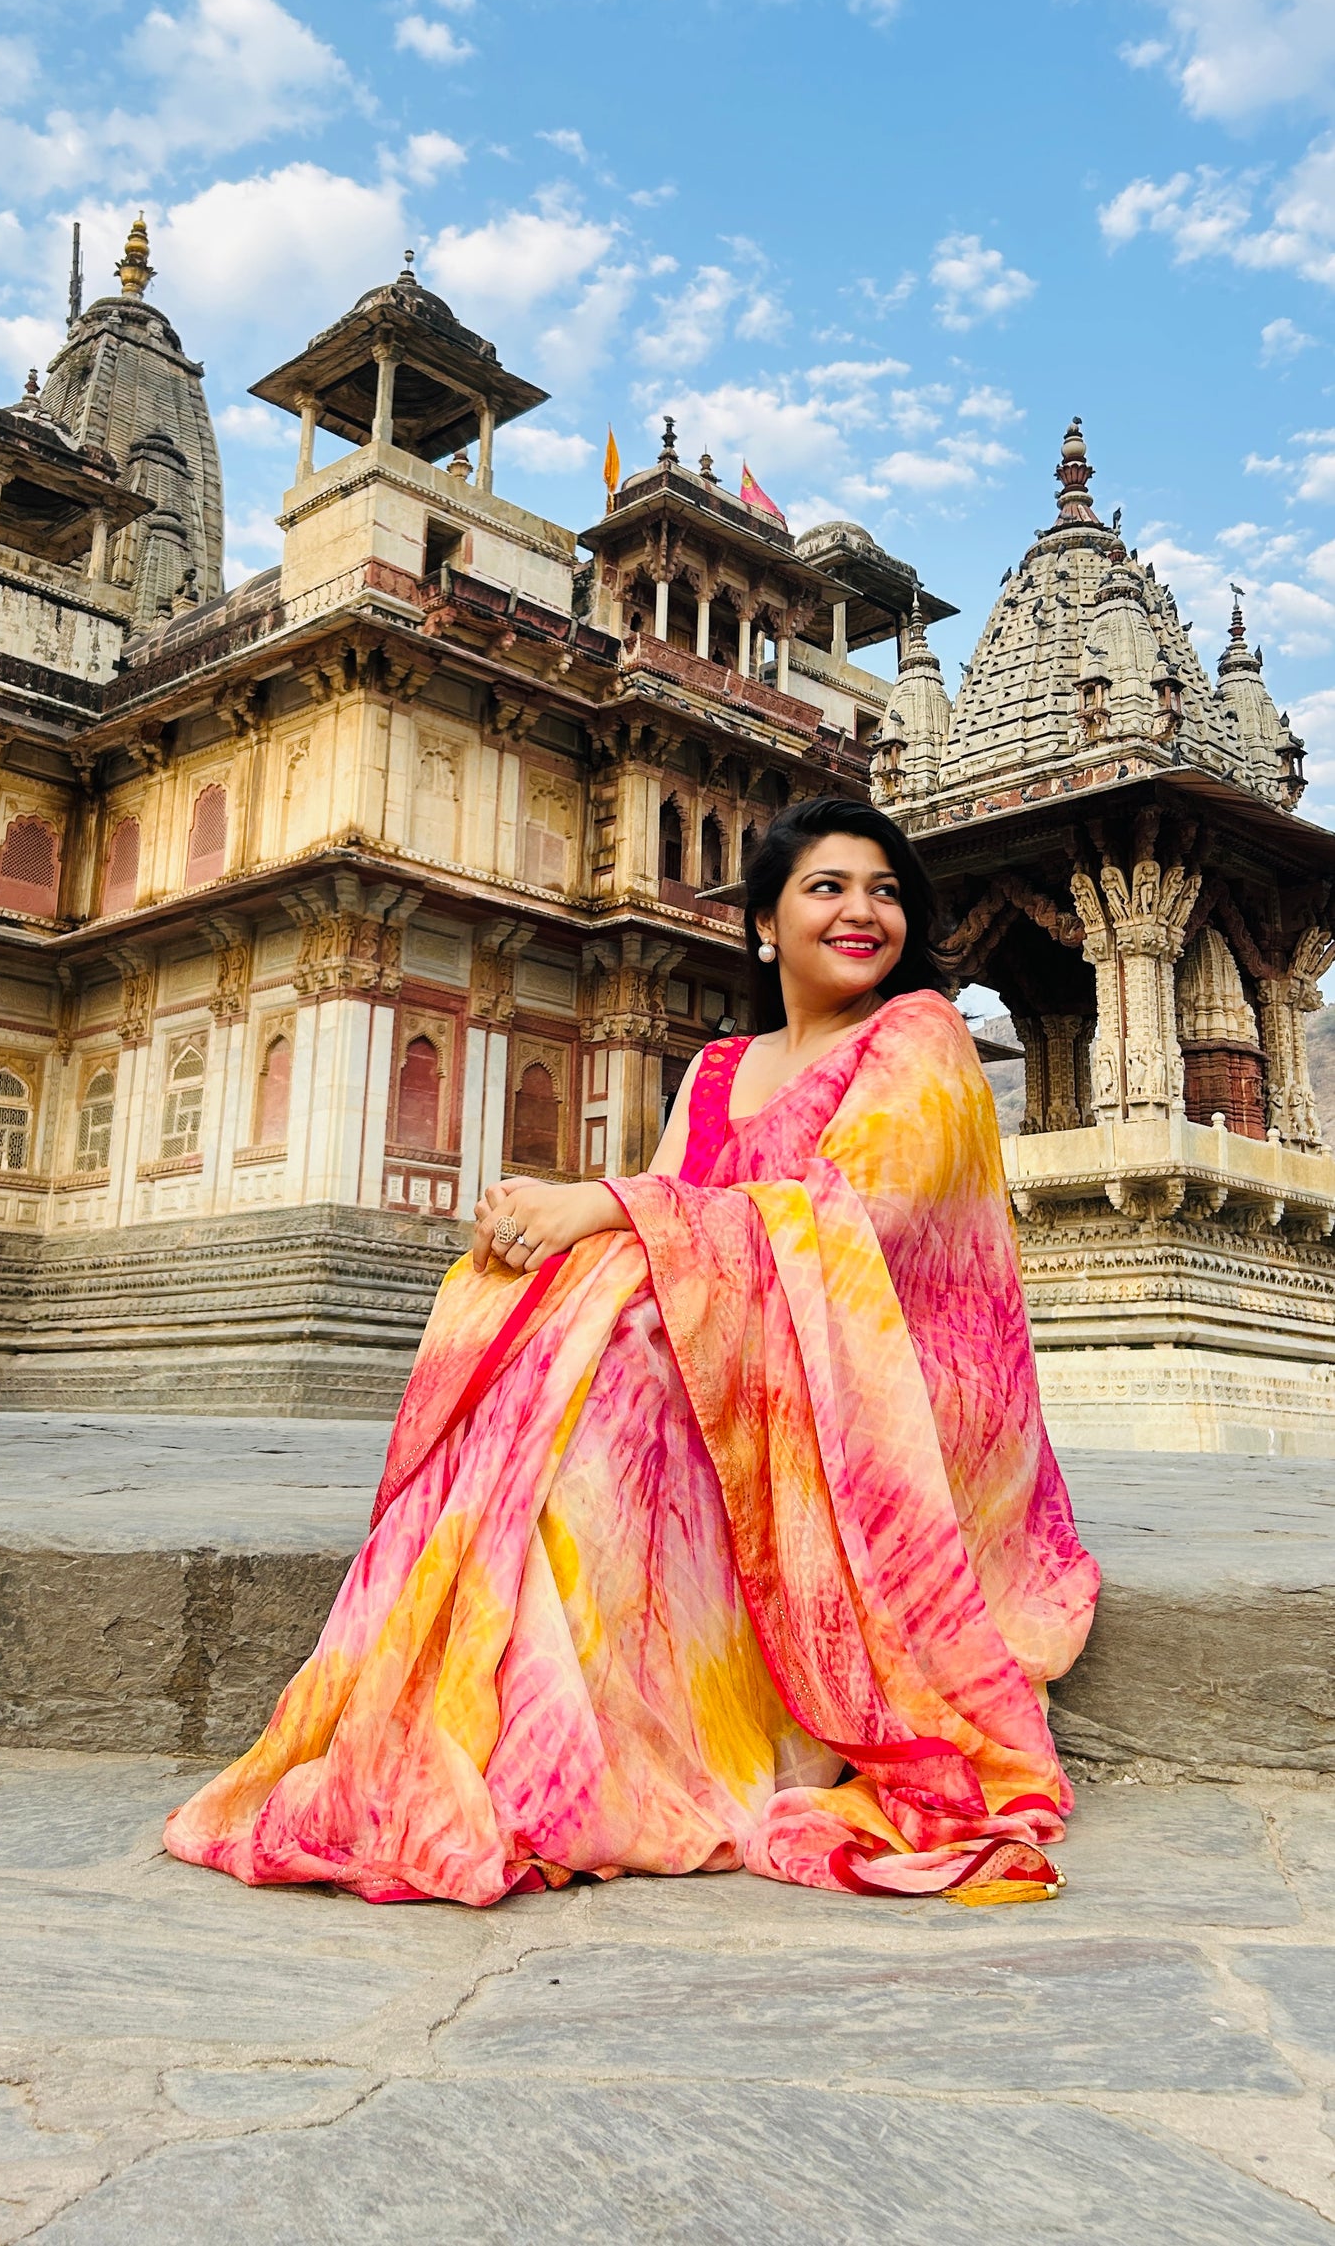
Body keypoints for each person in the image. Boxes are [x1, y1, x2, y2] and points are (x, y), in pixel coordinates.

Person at [165, 795, 1097, 1908]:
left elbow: (861, 1224)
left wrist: (596, 1208)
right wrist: (550, 1227)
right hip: (733, 1366)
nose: (863, 911)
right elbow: (663, 1225)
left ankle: (584, 1755)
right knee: (583, 1324)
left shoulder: (916, 1038)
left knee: (616, 1335)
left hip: (887, 1397)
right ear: (762, 924)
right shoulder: (711, 1071)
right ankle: (529, 1738)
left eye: (886, 891)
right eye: (828, 887)